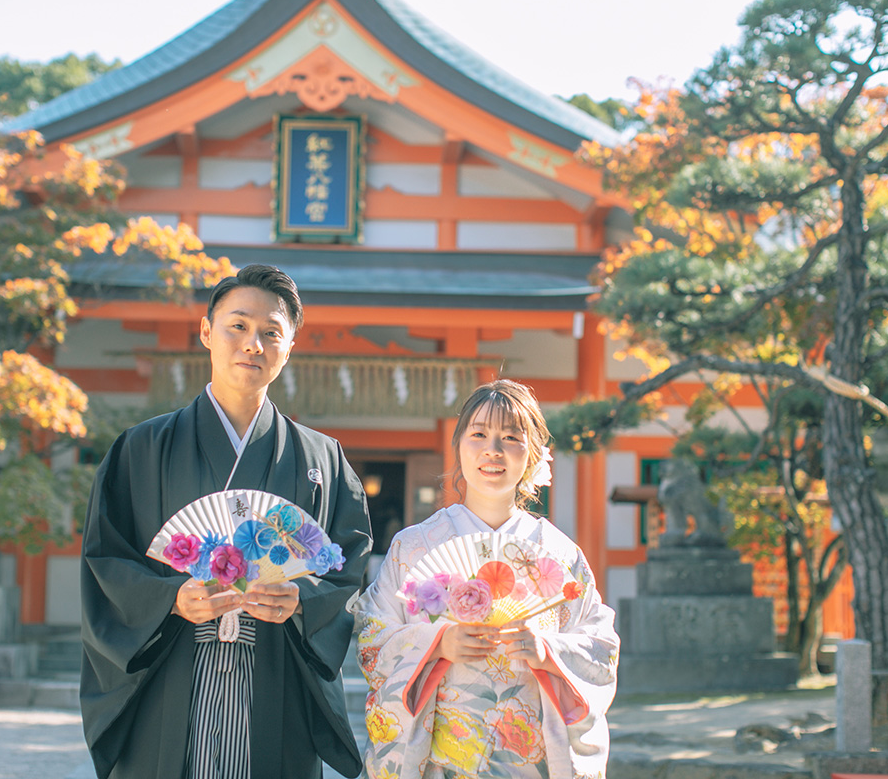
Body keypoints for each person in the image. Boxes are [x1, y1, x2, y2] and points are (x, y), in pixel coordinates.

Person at [79, 264, 372, 779]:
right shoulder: (142, 450)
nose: (252, 344)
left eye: (271, 333)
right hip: (169, 678)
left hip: (275, 680)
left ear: (289, 347)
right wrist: (170, 597)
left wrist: (302, 599)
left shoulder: (323, 461)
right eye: (238, 325)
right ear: (206, 331)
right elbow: (106, 560)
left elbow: (346, 571)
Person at [352, 379, 619, 778]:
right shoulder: (415, 547)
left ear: (532, 454)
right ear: (459, 445)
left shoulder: (560, 555)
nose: (493, 450)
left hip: (531, 756)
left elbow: (600, 647)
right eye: (478, 434)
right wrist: (437, 643)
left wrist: (547, 650)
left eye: (511, 437)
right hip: (441, 754)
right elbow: (373, 638)